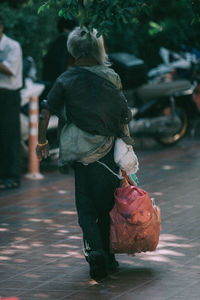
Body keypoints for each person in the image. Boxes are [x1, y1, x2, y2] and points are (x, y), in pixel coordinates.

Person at [36, 26, 133, 280]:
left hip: (80, 154)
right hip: (109, 153)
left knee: (86, 207)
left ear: (73, 50)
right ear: (98, 48)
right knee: (108, 206)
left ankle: (96, 252)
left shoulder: (66, 79)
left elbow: (46, 110)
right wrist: (127, 145)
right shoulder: (112, 77)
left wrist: (41, 141)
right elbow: (123, 114)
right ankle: (108, 257)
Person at [0, 16, 23, 190]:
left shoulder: (12, 46)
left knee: (10, 134)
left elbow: (10, 70)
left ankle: (13, 175)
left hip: (8, 95)